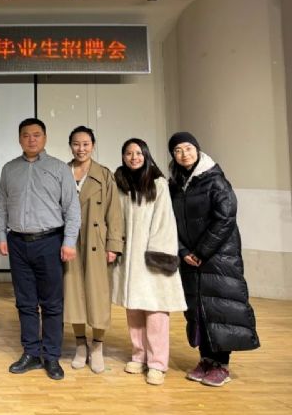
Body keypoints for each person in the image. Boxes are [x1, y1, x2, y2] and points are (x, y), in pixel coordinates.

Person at [168, 132, 260, 387]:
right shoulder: (175, 184)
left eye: (188, 148)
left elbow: (225, 218)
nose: (184, 154)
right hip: (190, 259)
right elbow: (170, 223)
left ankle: (222, 364)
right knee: (198, 310)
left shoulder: (215, 180)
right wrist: (183, 252)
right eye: (178, 150)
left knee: (220, 309)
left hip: (218, 257)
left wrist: (201, 252)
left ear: (197, 150)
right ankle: (206, 359)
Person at [0, 117, 80, 381]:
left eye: (36, 135)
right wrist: (2, 235)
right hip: (18, 243)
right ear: (19, 139)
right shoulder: (9, 169)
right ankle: (31, 353)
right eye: (26, 135)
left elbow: (72, 209)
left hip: (50, 242)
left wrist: (69, 242)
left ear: (45, 138)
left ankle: (51, 356)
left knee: (52, 303)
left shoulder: (59, 168)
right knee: (25, 302)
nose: (31, 139)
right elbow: (1, 206)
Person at [112, 138, 186, 386]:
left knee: (155, 310)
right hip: (128, 257)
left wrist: (158, 253)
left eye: (138, 153)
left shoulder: (158, 183)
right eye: (128, 153)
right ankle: (139, 355)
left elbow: (165, 221)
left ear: (146, 155)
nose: (134, 157)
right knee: (134, 307)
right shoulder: (119, 183)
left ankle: (157, 363)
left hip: (152, 255)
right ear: (123, 157)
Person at [64, 126, 124, 374]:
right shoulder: (63, 171)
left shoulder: (104, 174)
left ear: (93, 145)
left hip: (96, 242)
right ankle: (80, 345)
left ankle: (97, 346)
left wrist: (114, 245)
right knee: (73, 292)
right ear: (70, 146)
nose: (81, 149)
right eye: (76, 144)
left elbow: (114, 212)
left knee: (98, 295)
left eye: (86, 144)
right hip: (69, 242)